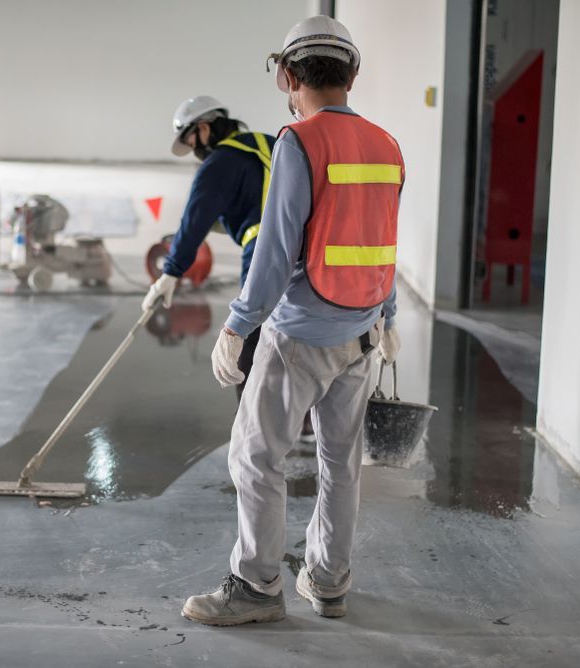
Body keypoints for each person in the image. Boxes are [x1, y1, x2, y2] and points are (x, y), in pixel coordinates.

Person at [181, 15, 404, 626]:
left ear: (286, 75)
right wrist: (388, 314)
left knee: (256, 457)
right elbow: (384, 240)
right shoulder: (387, 145)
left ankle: (256, 587)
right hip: (361, 335)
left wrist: (236, 327)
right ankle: (328, 582)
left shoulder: (298, 142)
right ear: (353, 74)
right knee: (340, 464)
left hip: (300, 335)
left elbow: (276, 253)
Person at [142, 96, 275, 399]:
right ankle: (303, 424)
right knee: (293, 340)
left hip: (261, 255)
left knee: (248, 341)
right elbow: (255, 199)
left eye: (192, 141)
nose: (195, 150)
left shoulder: (220, 161)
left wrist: (171, 272)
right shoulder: (265, 145)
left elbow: (195, 217)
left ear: (204, 127)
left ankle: (251, 424)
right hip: (303, 253)